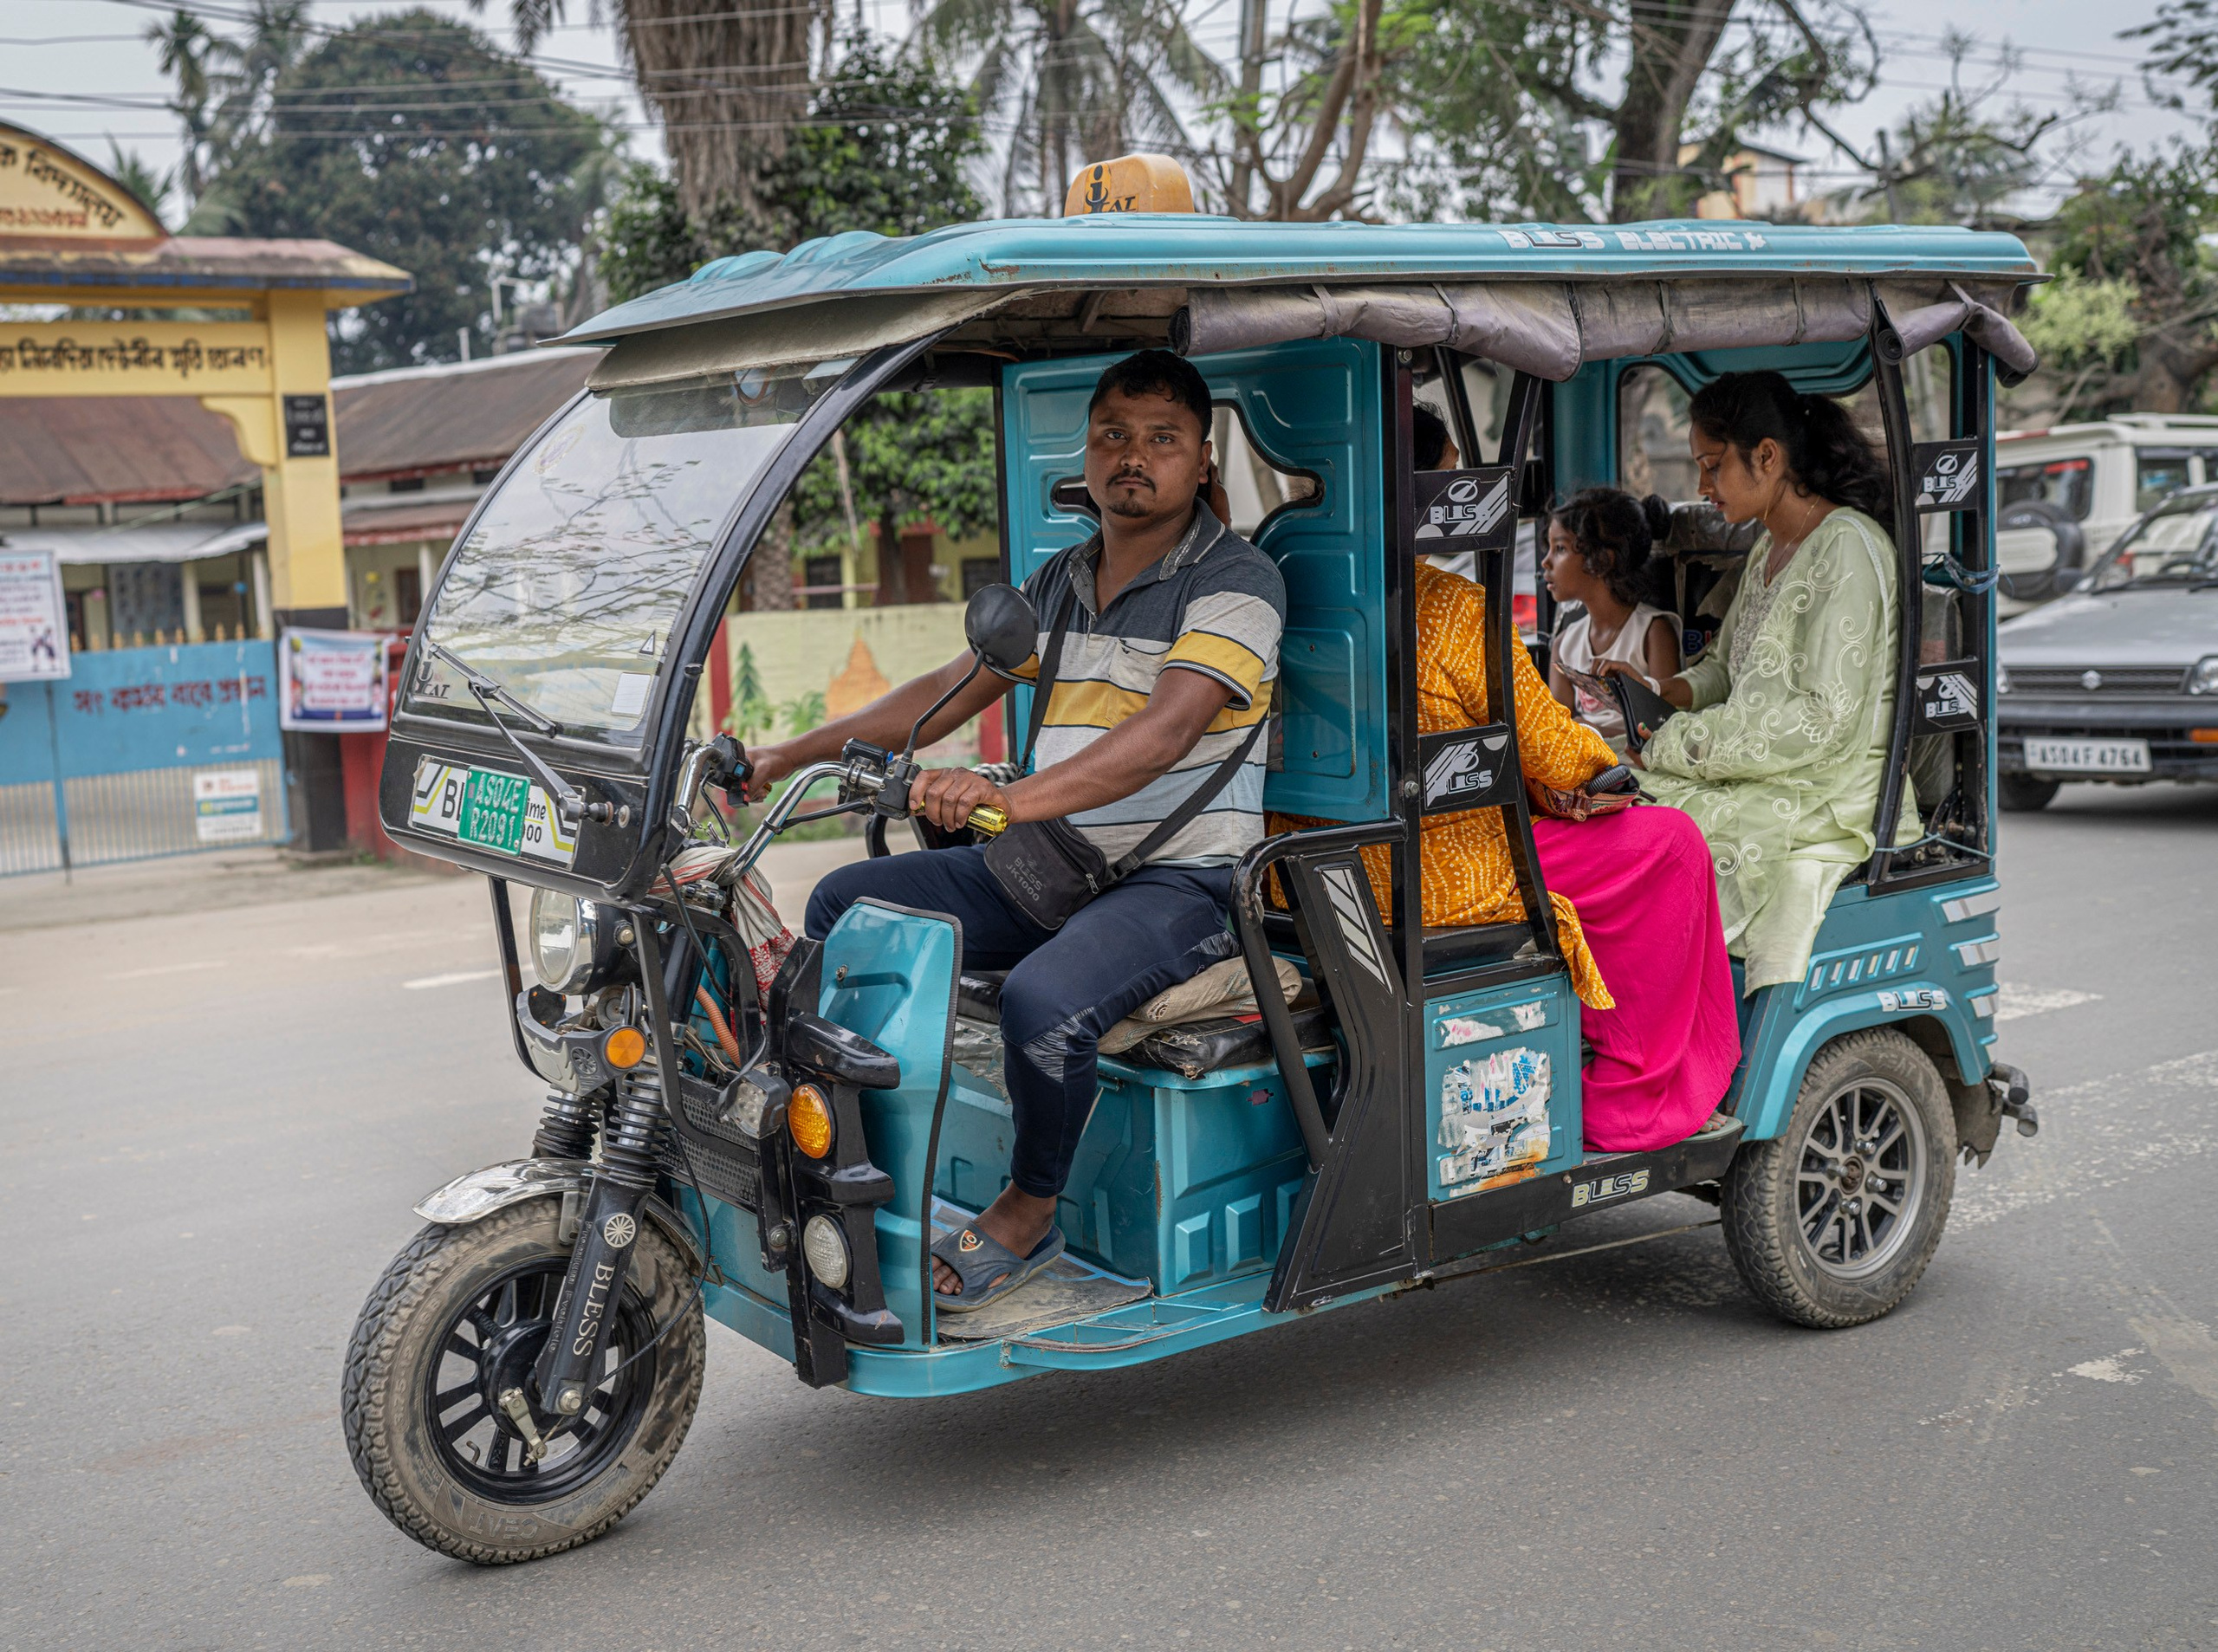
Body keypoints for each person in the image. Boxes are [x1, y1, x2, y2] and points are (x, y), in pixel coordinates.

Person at [746, 350, 1285, 1310]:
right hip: (1061, 862)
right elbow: (946, 692)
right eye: (1113, 434)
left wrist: (1007, 801)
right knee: (843, 901)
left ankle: (1028, 1211)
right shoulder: (1065, 579)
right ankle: (844, 1140)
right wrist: (785, 757)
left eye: (1162, 439)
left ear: (1202, 460)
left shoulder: (1236, 580)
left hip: (1183, 883)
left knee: (1045, 1004)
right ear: (1086, 449)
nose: (1134, 457)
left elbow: (1164, 733)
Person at [1282, 561, 1739, 1153]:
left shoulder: (1293, 579)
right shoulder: (1448, 604)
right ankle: (1630, 1099)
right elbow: (1550, 744)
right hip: (1444, 868)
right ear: (1444, 469)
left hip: (1319, 861)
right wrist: (1601, 766)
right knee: (1672, 841)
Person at [1602, 369, 1911, 995]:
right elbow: (1725, 670)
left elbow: (1822, 721)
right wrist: (1661, 694)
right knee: (1606, 784)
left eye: (1712, 466)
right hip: (1765, 763)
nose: (1700, 487)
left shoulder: (1847, 547)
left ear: (1767, 457)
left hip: (1831, 786)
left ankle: (1672, 1013)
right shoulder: (1769, 551)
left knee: (1655, 831)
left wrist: (1674, 744)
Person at [1542, 488, 1682, 752]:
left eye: (1559, 548)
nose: (1545, 562)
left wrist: (1590, 728)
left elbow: (1666, 723)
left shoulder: (1653, 633)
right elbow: (1557, 726)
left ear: (1602, 560)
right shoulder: (1564, 644)